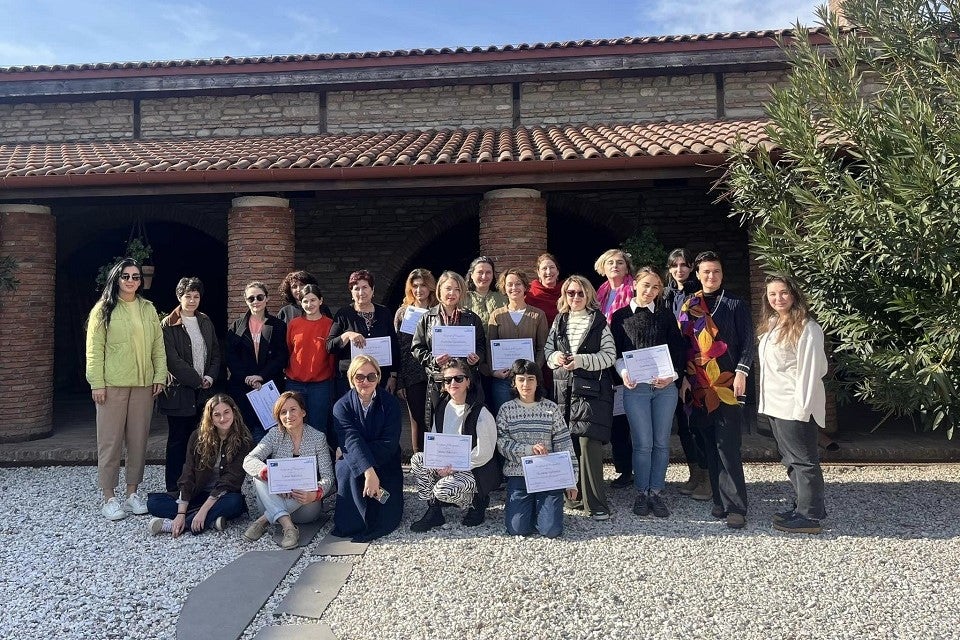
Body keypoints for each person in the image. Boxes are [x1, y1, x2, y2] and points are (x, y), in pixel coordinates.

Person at [86, 258, 167, 521]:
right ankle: (108, 497)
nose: (131, 281)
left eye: (135, 277)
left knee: (138, 440)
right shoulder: (103, 309)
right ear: (116, 278)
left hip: (143, 384)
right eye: (126, 276)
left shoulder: (147, 308)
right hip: (112, 385)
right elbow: (94, 350)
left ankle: (132, 493)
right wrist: (96, 382)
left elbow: (158, 345)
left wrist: (160, 375)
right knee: (109, 442)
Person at [679, 251, 755, 529]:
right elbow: (685, 345)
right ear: (697, 274)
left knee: (728, 445)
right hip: (699, 386)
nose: (711, 276)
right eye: (706, 272)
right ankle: (719, 501)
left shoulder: (735, 303)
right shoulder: (689, 305)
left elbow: (748, 341)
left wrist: (742, 371)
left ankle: (736, 506)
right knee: (710, 444)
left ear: (722, 275)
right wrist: (685, 378)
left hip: (728, 384)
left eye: (717, 272)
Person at [611, 267, 686, 518]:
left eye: (656, 287)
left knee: (661, 442)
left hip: (664, 388)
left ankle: (657, 492)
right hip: (637, 388)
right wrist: (624, 373)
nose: (650, 291)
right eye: (646, 285)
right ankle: (642, 492)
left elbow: (678, 351)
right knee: (642, 443)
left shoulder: (665, 316)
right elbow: (616, 354)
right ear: (634, 285)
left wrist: (672, 376)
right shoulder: (620, 317)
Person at [757, 274, 828, 534]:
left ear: (794, 294)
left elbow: (812, 370)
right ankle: (805, 506)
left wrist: (802, 408)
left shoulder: (807, 328)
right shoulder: (773, 323)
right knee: (789, 458)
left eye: (783, 292)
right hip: (775, 405)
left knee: (804, 460)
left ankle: (809, 517)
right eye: (773, 294)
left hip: (793, 405)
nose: (778, 298)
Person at [544, 275, 616, 521]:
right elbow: (548, 351)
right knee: (568, 444)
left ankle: (596, 502)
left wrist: (581, 360)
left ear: (588, 296)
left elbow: (609, 356)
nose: (575, 297)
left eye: (580, 293)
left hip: (591, 392)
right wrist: (557, 360)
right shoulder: (559, 321)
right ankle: (573, 498)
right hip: (563, 389)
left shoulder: (598, 322)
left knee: (589, 444)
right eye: (571, 293)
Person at [409, 359, 499, 531]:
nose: (453, 383)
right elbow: (435, 440)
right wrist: (438, 464)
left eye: (458, 378)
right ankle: (434, 510)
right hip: (449, 465)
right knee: (418, 459)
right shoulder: (442, 407)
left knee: (443, 489)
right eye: (448, 380)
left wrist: (455, 467)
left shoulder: (480, 412)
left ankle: (476, 502)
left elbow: (484, 453)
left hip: (474, 469)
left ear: (468, 381)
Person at [147, 394, 252, 536]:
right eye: (217, 415)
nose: (223, 418)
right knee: (154, 503)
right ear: (211, 418)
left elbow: (230, 480)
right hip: (197, 493)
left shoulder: (244, 440)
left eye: (226, 412)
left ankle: (178, 524)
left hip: (222, 495)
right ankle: (210, 521)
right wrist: (181, 512)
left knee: (235, 502)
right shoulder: (198, 437)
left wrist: (203, 511)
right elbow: (188, 472)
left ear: (234, 412)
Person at [242, 391, 335, 549]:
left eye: (293, 410)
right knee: (259, 475)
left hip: (305, 507)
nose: (288, 415)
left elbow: (328, 477)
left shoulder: (318, 437)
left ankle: (263, 521)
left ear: (303, 412)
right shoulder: (274, 434)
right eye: (283, 412)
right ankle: (289, 528)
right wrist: (273, 476)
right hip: (273, 499)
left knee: (308, 483)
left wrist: (314, 494)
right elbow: (248, 460)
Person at [497, 359, 578, 538]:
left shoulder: (551, 408)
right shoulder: (506, 410)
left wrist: (572, 479)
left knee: (551, 530)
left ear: (538, 381)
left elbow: (564, 443)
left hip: (548, 475)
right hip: (519, 474)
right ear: (514, 382)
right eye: (521, 379)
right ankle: (531, 509)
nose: (526, 384)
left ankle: (543, 511)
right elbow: (502, 444)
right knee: (517, 529)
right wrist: (528, 450)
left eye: (531, 379)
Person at [331, 355, 405, 542]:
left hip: (385, 459)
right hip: (357, 461)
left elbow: (389, 443)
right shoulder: (342, 406)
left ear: (378, 378)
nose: (365, 382)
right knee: (344, 467)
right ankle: (353, 521)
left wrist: (357, 455)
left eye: (371, 377)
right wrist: (368, 471)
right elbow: (350, 439)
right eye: (359, 377)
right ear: (351, 379)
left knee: (387, 515)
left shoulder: (390, 404)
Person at [157, 277, 220, 492]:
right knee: (178, 441)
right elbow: (172, 360)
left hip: (204, 393)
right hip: (180, 393)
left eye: (196, 296)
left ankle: (198, 483)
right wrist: (196, 380)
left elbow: (215, 353)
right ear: (179, 297)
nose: (192, 300)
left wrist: (209, 377)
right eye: (188, 296)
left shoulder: (205, 321)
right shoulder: (168, 324)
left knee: (202, 439)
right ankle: (174, 486)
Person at [411, 270, 487, 430]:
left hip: (466, 380)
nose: (452, 293)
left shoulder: (472, 318)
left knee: (466, 424)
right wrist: (432, 359)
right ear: (439, 290)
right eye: (448, 288)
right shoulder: (427, 318)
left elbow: (481, 345)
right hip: (439, 380)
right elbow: (417, 347)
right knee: (439, 422)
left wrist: (477, 357)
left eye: (457, 289)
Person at [663, 248, 710, 500]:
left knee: (696, 424)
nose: (679, 270)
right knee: (683, 426)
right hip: (671, 368)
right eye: (674, 265)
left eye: (683, 265)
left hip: (693, 368)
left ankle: (706, 477)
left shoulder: (697, 295)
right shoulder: (666, 295)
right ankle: (694, 474)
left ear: (691, 268)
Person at [226, 281, 288, 443]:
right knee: (245, 430)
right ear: (246, 301)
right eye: (251, 298)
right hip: (243, 387)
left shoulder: (278, 325)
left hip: (269, 386)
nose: (255, 301)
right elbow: (231, 356)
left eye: (259, 297)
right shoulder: (236, 326)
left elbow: (281, 356)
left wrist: (261, 376)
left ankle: (269, 467)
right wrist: (246, 377)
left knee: (270, 431)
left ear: (266, 298)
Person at [594, 248, 635, 489]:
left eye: (620, 262)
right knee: (608, 414)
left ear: (627, 267)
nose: (615, 266)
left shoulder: (633, 290)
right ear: (603, 266)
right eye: (610, 262)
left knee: (623, 419)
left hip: (625, 360)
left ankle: (627, 470)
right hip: (604, 362)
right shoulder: (600, 292)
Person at [326, 270, 400, 403]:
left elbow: (393, 346)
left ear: (372, 290)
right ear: (351, 293)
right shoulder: (343, 314)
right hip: (350, 381)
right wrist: (347, 335)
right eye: (357, 289)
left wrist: (393, 376)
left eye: (365, 287)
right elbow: (330, 346)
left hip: (379, 378)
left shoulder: (384, 313)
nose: (361, 292)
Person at [484, 268, 548, 414]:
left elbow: (542, 347)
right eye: (510, 284)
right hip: (503, 379)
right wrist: (494, 372)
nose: (514, 288)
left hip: (529, 380)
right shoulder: (497, 315)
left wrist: (533, 370)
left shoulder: (538, 315)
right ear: (504, 288)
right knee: (503, 418)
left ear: (525, 286)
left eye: (518, 284)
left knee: (528, 417)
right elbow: (490, 346)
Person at [394, 268, 437, 453]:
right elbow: (399, 348)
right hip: (412, 375)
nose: (419, 290)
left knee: (437, 418)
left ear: (431, 287)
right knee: (417, 421)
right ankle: (419, 461)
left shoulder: (439, 311)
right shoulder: (403, 313)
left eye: (423, 285)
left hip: (437, 373)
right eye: (415, 286)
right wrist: (400, 381)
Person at [285, 284, 336, 442]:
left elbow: (332, 356)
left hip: (320, 385)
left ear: (321, 301)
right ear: (300, 303)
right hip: (294, 383)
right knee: (292, 425)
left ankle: (319, 464)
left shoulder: (329, 324)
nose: (309, 304)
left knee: (318, 427)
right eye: (305, 301)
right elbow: (289, 349)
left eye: (313, 300)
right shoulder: (294, 324)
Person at [464, 255, 507, 325]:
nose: (484, 276)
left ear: (493, 275)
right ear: (471, 275)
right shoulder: (462, 298)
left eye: (488, 272)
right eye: (480, 272)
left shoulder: (503, 297)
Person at [524, 253, 562, 326]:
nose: (548, 272)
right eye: (544, 268)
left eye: (552, 267)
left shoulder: (567, 291)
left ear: (557, 271)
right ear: (538, 273)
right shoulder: (529, 291)